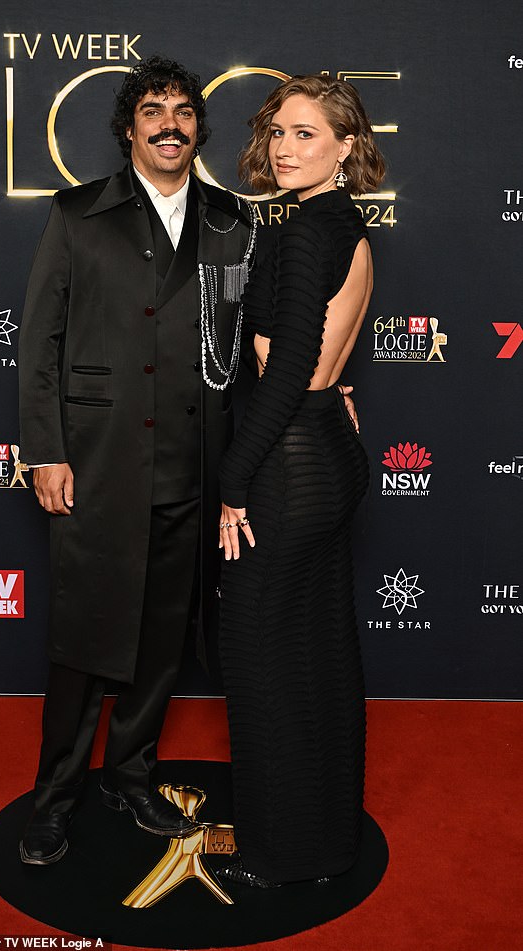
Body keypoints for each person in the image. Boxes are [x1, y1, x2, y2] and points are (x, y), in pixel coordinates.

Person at [17, 55, 256, 865]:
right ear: (128, 128)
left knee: (159, 642)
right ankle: (54, 796)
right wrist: (45, 450)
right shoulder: (78, 214)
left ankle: (130, 772)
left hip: (193, 466)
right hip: (98, 462)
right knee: (85, 642)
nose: (170, 123)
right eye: (154, 109)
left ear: (198, 127)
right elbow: (38, 342)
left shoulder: (231, 220)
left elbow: (243, 345)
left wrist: (325, 387)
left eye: (184, 111)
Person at [216, 75, 385, 887]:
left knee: (259, 660)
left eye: (308, 134)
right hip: (331, 453)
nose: (286, 148)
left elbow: (283, 376)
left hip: (285, 463)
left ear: (346, 147)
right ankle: (328, 845)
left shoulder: (300, 232)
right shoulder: (347, 224)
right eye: (278, 132)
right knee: (319, 651)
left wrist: (233, 483)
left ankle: (280, 857)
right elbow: (321, 367)